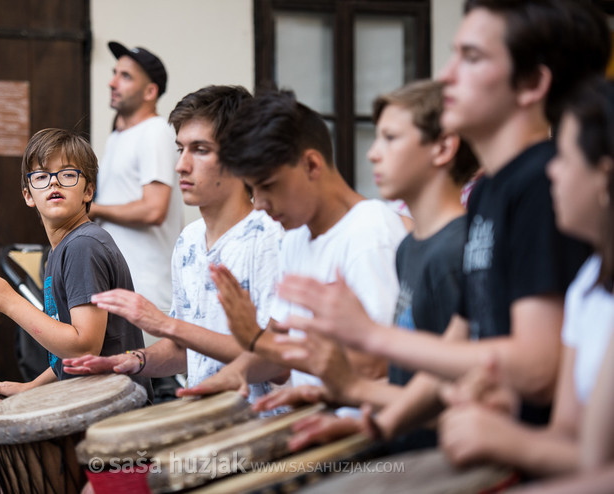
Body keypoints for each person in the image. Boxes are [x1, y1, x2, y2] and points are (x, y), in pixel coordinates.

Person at [273, 0, 608, 430]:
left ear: (531, 83)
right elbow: (458, 342)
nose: (447, 74)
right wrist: (378, 421)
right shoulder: (488, 190)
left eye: (471, 57)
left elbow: (536, 368)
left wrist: (373, 337)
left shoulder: (542, 185)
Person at [253, 79, 480, 453]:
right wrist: (347, 405)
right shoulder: (411, 248)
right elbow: (416, 381)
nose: (373, 153)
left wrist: (356, 389)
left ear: (442, 148)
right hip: (399, 440)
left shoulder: (455, 250)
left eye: (390, 138)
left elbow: (458, 389)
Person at [178, 89, 407, 406]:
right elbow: (279, 352)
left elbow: (375, 364)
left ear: (312, 165)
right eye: (253, 188)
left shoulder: (370, 234)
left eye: (268, 185)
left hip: (365, 439)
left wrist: (255, 339)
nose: (259, 204)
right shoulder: (296, 237)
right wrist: (236, 372)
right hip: (316, 424)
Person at [438, 76, 614, 478]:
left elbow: (595, 463)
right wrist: (506, 411)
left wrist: (509, 439)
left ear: (604, 177)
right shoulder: (589, 281)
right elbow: (573, 440)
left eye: (564, 157)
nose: (551, 170)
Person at [63, 86, 283, 403]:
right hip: (207, 428)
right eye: (180, 149)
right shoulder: (189, 240)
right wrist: (134, 361)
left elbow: (276, 363)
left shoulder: (272, 237)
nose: (181, 165)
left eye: (200, 149)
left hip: (265, 435)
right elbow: (184, 350)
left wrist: (165, 324)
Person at [0, 129, 152, 436]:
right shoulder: (62, 250)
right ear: (28, 194)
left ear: (88, 191)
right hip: (95, 408)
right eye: (41, 176)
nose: (54, 182)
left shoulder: (83, 246)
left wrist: (9, 301)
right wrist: (31, 388)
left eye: (68, 174)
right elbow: (69, 356)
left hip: (112, 421)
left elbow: (84, 346)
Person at [90, 42, 184, 317]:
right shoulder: (119, 136)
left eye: (125, 76)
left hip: (148, 296)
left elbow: (154, 209)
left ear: (150, 91)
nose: (112, 82)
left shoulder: (155, 131)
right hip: (121, 292)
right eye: (115, 73)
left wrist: (92, 210)